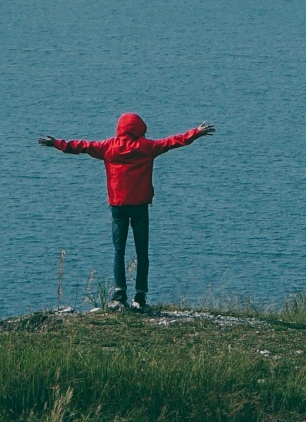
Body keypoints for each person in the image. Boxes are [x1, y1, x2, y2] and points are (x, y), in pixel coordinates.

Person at [38, 111, 216, 310]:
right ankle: (140, 296)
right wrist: (196, 132)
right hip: (140, 206)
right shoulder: (148, 147)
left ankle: (119, 293)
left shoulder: (108, 147)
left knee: (119, 251)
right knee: (142, 252)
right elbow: (173, 141)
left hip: (118, 206)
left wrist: (57, 144)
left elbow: (82, 146)